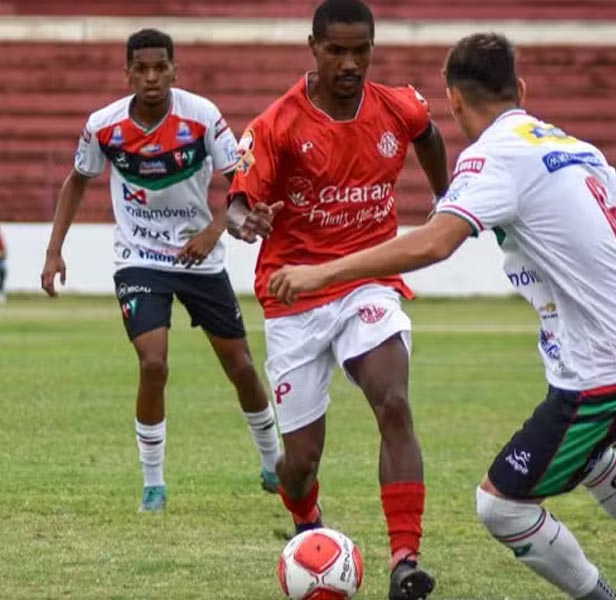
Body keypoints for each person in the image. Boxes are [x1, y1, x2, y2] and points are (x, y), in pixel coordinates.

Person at [267, 32, 616, 600]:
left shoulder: (493, 157)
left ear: (454, 101)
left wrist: (323, 272)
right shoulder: (574, 144)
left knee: (501, 506)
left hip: (606, 369)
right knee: (592, 458)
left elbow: (435, 244)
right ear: (521, 89)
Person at [225, 1, 450, 597]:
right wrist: (248, 222)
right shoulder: (276, 125)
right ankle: (307, 525)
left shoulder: (396, 106)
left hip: (366, 282)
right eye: (337, 51)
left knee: (393, 401)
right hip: (293, 297)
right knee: (298, 463)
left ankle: (405, 558)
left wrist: (447, 198)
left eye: (361, 51)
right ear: (313, 47)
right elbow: (237, 201)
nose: (350, 64)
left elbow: (427, 133)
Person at [40, 29, 281, 513]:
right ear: (127, 72)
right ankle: (154, 483)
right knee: (153, 364)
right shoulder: (103, 126)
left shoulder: (202, 117)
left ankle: (274, 460)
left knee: (240, 366)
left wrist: (217, 230)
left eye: (160, 68)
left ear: (174, 69)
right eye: (141, 69)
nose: (151, 77)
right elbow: (76, 182)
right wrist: (54, 251)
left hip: (201, 259)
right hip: (139, 258)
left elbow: (242, 182)